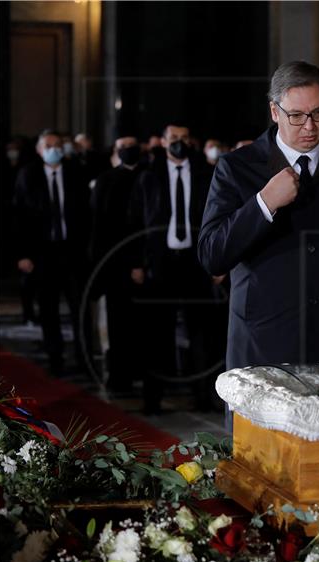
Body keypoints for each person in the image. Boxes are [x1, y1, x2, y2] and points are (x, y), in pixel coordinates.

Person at [198, 61, 319, 368]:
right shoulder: (236, 168)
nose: (310, 126)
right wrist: (263, 203)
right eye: (297, 116)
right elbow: (212, 254)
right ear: (275, 112)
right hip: (261, 346)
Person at [130, 123, 216, 413]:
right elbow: (136, 221)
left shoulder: (205, 174)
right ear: (163, 142)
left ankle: (203, 396)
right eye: (173, 138)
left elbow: (216, 216)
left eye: (184, 138)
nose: (179, 143)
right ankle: (153, 398)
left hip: (195, 263)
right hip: (160, 264)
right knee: (157, 333)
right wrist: (137, 263)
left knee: (200, 332)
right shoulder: (148, 177)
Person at [12, 130, 91, 375]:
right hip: (43, 252)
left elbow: (87, 213)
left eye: (58, 145)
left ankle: (83, 358)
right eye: (48, 145)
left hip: (72, 251)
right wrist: (22, 254)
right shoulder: (28, 175)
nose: (54, 149)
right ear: (39, 149)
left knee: (80, 308)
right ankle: (55, 357)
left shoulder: (75, 173)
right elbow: (19, 216)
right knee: (48, 308)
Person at [90, 135, 145, 392]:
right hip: (116, 262)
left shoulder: (148, 176)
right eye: (123, 147)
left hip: (145, 262)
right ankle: (120, 376)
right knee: (117, 321)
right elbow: (99, 225)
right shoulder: (106, 180)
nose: (128, 151)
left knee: (143, 323)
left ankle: (143, 372)